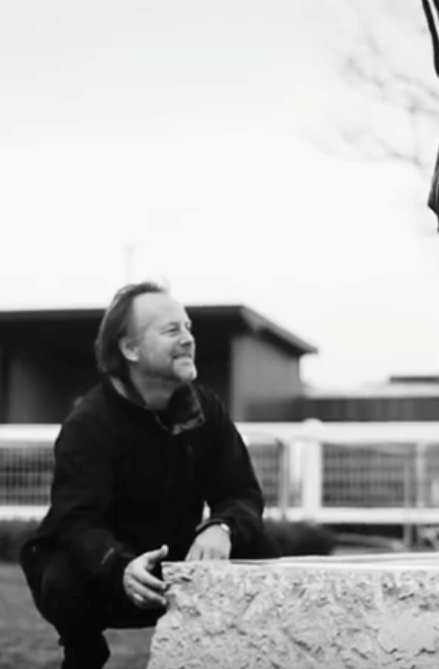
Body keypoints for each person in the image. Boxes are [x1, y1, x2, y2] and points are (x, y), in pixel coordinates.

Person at [19, 281, 281, 669]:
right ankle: (83, 651)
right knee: (60, 574)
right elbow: (76, 521)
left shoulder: (205, 410)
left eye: (188, 327)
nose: (188, 339)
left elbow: (243, 492)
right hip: (108, 572)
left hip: (174, 561)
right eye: (172, 330)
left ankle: (247, 657)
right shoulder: (89, 423)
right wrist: (119, 566)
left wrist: (221, 529)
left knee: (261, 549)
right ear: (130, 349)